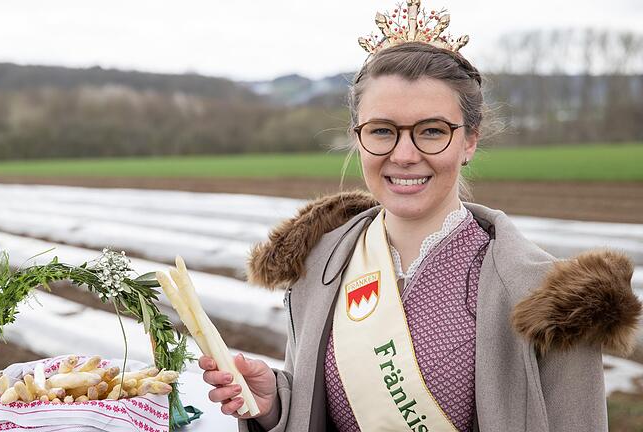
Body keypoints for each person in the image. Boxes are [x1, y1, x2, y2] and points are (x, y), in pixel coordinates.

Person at [199, 1, 642, 431]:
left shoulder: (548, 299)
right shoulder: (319, 263)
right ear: (358, 138)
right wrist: (276, 402)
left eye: (432, 131)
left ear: (469, 141)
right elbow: (321, 407)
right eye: (382, 131)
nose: (404, 155)